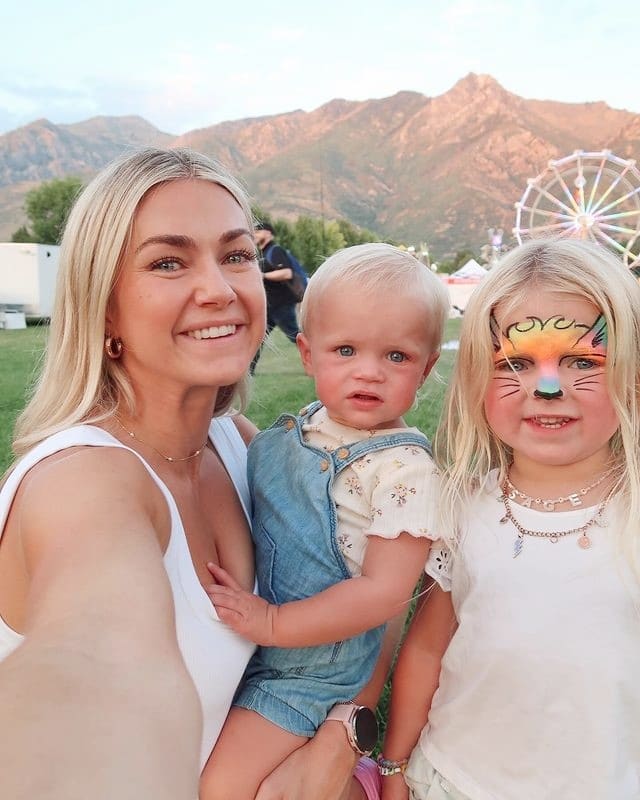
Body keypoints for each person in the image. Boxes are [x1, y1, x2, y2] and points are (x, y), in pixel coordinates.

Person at [0, 148, 396, 800]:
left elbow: (364, 601)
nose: (220, 288)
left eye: (236, 255)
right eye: (168, 262)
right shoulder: (85, 481)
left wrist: (340, 740)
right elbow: (96, 657)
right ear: (102, 309)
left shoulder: (243, 447)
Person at [379, 238, 640, 800]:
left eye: (581, 361)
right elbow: (426, 649)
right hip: (455, 778)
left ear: (631, 374)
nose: (547, 388)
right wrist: (396, 764)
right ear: (477, 381)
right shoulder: (462, 508)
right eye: (515, 363)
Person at [202, 243, 450, 799]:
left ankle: (338, 763)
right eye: (346, 350)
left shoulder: (404, 472)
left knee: (223, 786)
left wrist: (271, 624)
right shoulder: (305, 429)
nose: (369, 372)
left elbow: (383, 594)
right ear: (308, 355)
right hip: (262, 647)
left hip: (313, 669)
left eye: (397, 357)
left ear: (427, 367)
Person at [250, 222, 300, 373]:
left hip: (281, 305)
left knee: (295, 336)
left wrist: (262, 275)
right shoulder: (264, 253)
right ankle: (249, 372)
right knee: (258, 337)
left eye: (258, 231)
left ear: (268, 233)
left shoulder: (275, 250)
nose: (254, 234)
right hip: (270, 306)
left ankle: (320, 361)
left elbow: (287, 273)